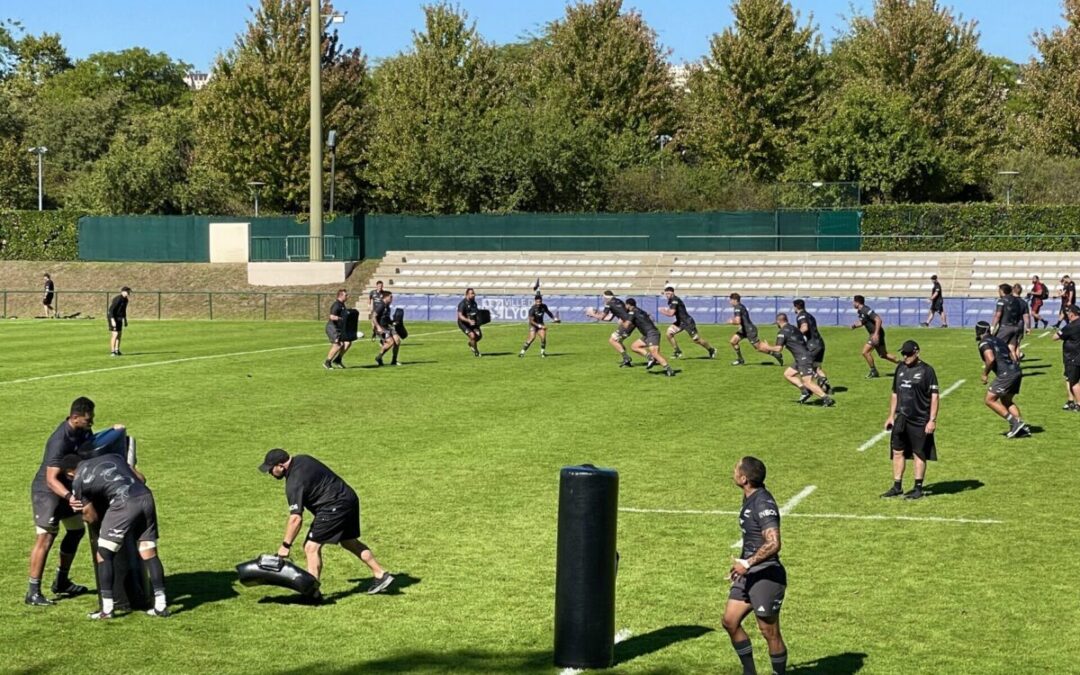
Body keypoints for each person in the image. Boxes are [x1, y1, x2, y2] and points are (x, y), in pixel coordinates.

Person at [259, 449, 395, 598]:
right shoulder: (303, 458)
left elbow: (296, 519)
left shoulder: (294, 482)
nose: (270, 473)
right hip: (349, 498)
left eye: (271, 469)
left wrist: (285, 546)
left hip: (333, 507)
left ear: (281, 465)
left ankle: (312, 592)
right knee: (349, 542)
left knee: (311, 547)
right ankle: (380, 574)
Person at [66, 452, 170, 619]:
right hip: (146, 497)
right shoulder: (114, 456)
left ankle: (107, 609)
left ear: (70, 473)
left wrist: (81, 513)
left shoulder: (78, 480)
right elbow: (141, 479)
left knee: (103, 554)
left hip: (124, 503)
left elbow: (91, 516)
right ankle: (161, 605)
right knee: (148, 551)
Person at [25, 397, 101, 606]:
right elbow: (51, 478)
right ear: (74, 417)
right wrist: (70, 497)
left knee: (76, 531)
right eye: (88, 420)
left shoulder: (83, 431)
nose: (91, 423)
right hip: (48, 492)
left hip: (68, 488)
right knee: (46, 537)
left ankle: (61, 581)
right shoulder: (60, 440)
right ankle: (33, 591)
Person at [723, 457, 788, 675]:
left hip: (767, 575)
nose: (733, 471)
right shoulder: (749, 496)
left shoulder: (762, 503)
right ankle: (749, 672)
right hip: (747, 573)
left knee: (769, 632)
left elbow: (774, 543)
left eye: (736, 469)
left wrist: (747, 562)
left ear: (744, 479)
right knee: (730, 621)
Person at [881, 340, 939, 500]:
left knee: (918, 453)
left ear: (917, 352)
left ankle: (918, 487)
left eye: (908, 354)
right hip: (901, 418)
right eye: (903, 354)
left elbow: (934, 396)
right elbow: (895, 393)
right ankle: (897, 486)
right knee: (897, 451)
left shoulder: (927, 371)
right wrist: (891, 416)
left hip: (920, 419)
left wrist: (932, 420)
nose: (905, 357)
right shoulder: (900, 368)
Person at [975, 321, 1029, 438]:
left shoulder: (983, 343)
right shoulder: (999, 340)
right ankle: (1021, 427)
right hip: (1016, 370)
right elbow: (1013, 356)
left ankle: (1014, 423)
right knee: (1007, 401)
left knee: (989, 400)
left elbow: (990, 359)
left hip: (1006, 373)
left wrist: (985, 374)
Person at [769, 314, 835, 406]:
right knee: (788, 374)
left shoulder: (782, 332)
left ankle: (825, 398)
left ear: (778, 322)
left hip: (803, 358)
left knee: (807, 382)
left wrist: (767, 347)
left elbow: (778, 349)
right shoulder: (794, 328)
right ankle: (805, 391)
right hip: (803, 356)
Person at [659, 286, 716, 359]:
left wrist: (662, 310)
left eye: (669, 293)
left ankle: (711, 350)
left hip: (687, 322)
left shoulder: (675, 300)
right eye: (666, 294)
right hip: (680, 322)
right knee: (669, 333)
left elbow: (671, 313)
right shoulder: (670, 300)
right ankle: (677, 351)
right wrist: (666, 310)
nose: (667, 295)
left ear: (673, 293)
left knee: (696, 340)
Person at [850, 295, 898, 378]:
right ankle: (903, 364)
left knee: (865, 352)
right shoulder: (861, 311)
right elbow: (862, 322)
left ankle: (873, 371)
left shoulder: (866, 310)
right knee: (883, 355)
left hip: (875, 333)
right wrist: (854, 326)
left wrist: (876, 334)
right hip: (877, 333)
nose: (852, 303)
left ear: (857, 302)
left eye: (853, 302)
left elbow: (878, 319)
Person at [625, 298, 674, 377]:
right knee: (634, 346)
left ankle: (668, 369)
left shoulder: (632, 312)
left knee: (655, 353)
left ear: (628, 305)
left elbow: (627, 325)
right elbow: (650, 316)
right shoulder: (640, 310)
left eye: (625, 305)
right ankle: (650, 357)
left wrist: (622, 321)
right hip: (647, 334)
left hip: (652, 333)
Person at [585, 290, 636, 367]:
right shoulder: (619, 301)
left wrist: (592, 314)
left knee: (612, 340)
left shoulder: (608, 304)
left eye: (603, 297)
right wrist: (595, 315)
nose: (603, 299)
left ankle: (626, 358)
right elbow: (609, 318)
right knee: (619, 341)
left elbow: (602, 317)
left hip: (626, 324)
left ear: (605, 297)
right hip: (631, 323)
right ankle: (626, 359)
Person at [729, 293, 782, 367]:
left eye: (730, 300)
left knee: (759, 348)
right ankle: (740, 359)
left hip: (749, 330)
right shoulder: (740, 306)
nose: (729, 302)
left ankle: (775, 353)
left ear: (735, 300)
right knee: (733, 341)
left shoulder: (737, 308)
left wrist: (732, 321)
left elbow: (737, 321)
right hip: (744, 329)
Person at [792, 299, 831, 394]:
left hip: (812, 346)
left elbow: (804, 327)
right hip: (820, 344)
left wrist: (797, 335)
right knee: (817, 368)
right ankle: (828, 388)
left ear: (796, 306)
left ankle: (811, 388)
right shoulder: (810, 315)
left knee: (803, 367)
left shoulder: (801, 315)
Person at [1053, 305, 1080, 411]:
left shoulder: (1071, 326)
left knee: (1073, 382)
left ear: (1072, 314)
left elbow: (1055, 337)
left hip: (1073, 357)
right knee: (1069, 378)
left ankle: (1078, 403)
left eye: (1068, 313)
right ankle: (1070, 401)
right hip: (1076, 356)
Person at [990, 283, 1025, 364]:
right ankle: (1015, 368)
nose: (998, 292)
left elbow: (998, 315)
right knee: (1011, 349)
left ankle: (998, 367)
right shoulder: (1016, 300)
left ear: (1002, 291)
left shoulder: (1001, 301)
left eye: (999, 291)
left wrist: (992, 327)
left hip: (1005, 327)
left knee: (995, 346)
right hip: (1015, 327)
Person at [323, 289, 352, 370]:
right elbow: (331, 316)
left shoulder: (342, 304)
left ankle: (338, 360)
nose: (347, 296)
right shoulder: (336, 305)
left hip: (339, 328)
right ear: (341, 295)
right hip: (332, 327)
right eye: (346, 295)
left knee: (348, 342)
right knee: (338, 344)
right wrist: (341, 318)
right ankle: (327, 362)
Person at [374, 291, 402, 367]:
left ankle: (394, 360)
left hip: (388, 326)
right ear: (386, 297)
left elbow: (386, 318)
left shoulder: (387, 306)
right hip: (382, 327)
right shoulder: (381, 305)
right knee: (390, 342)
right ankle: (379, 357)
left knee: (397, 341)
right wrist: (378, 327)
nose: (392, 298)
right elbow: (373, 316)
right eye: (390, 297)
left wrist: (393, 322)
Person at [457, 288, 483, 357]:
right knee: (472, 335)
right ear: (467, 294)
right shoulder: (462, 304)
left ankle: (470, 343)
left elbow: (475, 313)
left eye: (474, 293)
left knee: (479, 336)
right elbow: (460, 316)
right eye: (472, 293)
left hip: (472, 322)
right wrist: (468, 320)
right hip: (463, 323)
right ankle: (476, 351)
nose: (473, 295)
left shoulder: (474, 303)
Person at [108, 286, 130, 356]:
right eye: (127, 291)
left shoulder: (126, 300)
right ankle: (112, 351)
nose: (129, 293)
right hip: (113, 317)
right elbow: (111, 310)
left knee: (119, 334)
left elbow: (123, 310)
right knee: (115, 334)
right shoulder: (118, 299)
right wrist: (112, 320)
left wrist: (125, 320)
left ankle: (117, 350)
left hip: (119, 318)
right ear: (123, 292)